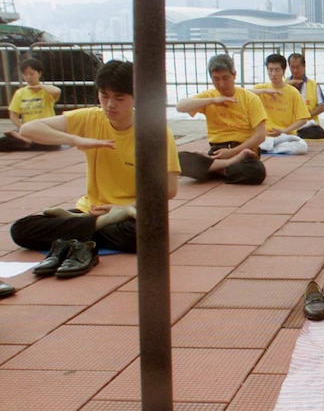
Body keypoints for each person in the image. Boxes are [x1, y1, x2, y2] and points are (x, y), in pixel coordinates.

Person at [9, 60, 181, 278]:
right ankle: (94, 225)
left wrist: (125, 207)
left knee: (144, 234)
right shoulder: (90, 117)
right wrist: (75, 139)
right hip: (91, 210)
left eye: (119, 98)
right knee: (22, 229)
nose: (110, 105)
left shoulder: (155, 132)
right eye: (104, 96)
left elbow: (170, 189)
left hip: (130, 213)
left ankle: (76, 231)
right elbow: (28, 128)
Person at [176, 54, 267, 185]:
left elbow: (260, 136)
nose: (221, 84)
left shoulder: (250, 98)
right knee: (176, 159)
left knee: (256, 171)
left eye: (226, 78)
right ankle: (224, 167)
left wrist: (232, 153)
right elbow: (180, 106)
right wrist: (212, 100)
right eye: (216, 79)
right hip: (216, 152)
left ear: (234, 75)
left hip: (242, 151)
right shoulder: (209, 97)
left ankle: (212, 168)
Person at [250, 53, 311, 154]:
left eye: (277, 70)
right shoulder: (261, 88)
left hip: (284, 135)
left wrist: (284, 131)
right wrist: (265, 91)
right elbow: (241, 93)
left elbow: (303, 119)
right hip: (265, 135)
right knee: (250, 140)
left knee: (302, 146)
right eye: (270, 70)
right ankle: (269, 147)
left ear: (283, 71)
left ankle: (267, 148)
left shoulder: (292, 92)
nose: (273, 73)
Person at [0, 58, 61, 151]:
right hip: (29, 131)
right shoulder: (20, 93)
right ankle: (25, 140)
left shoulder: (46, 91)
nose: (28, 77)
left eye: (32, 74)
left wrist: (40, 86)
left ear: (39, 74)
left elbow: (57, 91)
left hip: (46, 130)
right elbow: (13, 115)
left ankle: (25, 141)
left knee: (52, 144)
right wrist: (23, 128)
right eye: (25, 74)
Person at [286, 52, 324, 138]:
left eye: (298, 67)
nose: (295, 70)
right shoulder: (283, 84)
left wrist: (306, 116)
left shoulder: (313, 85)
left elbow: (322, 106)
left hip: (307, 124)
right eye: (292, 67)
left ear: (304, 66)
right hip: (288, 123)